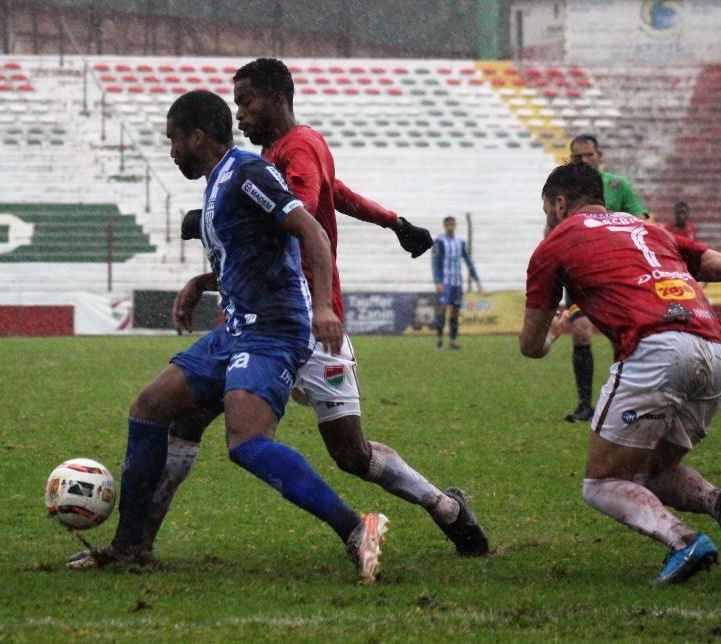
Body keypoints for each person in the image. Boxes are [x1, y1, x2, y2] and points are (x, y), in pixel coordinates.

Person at [72, 58, 488, 567]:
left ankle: (421, 513)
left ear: (274, 99)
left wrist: (323, 304)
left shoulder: (280, 156)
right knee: (162, 411)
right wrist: (394, 222)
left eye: (246, 101)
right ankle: (132, 546)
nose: (240, 113)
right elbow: (292, 223)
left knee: (340, 453)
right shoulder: (246, 167)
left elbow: (306, 220)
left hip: (297, 327)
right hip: (247, 326)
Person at [69, 90, 389, 583]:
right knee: (149, 408)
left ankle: (355, 528)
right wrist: (201, 283)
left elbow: (312, 233)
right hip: (237, 327)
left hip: (273, 330)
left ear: (198, 137)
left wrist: (324, 306)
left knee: (246, 442)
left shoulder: (247, 173)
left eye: (174, 140)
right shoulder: (219, 181)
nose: (172, 151)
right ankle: (129, 546)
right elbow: (250, 255)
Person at [520, 161, 721, 584]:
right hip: (713, 349)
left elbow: (530, 345)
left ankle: (683, 541)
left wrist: (554, 332)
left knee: (601, 484)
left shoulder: (555, 244)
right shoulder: (647, 227)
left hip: (657, 351)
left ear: (559, 204)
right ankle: (715, 502)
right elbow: (711, 262)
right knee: (648, 475)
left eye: (546, 212)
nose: (547, 221)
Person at [560, 134, 650, 422]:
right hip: (580, 276)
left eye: (589, 155)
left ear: (600, 156)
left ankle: (620, 401)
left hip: (616, 275)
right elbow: (554, 229)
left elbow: (641, 219)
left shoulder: (617, 185)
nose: (584, 161)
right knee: (581, 332)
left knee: (619, 339)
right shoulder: (565, 191)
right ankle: (584, 404)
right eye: (578, 157)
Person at [432, 216, 482, 350]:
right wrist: (437, 282)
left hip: (457, 283)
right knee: (442, 309)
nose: (450, 227)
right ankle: (439, 339)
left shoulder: (460, 242)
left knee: (455, 312)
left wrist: (476, 279)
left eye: (452, 225)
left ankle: (453, 340)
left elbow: (468, 260)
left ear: (455, 226)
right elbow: (435, 263)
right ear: (444, 226)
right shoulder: (439, 242)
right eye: (448, 225)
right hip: (445, 282)